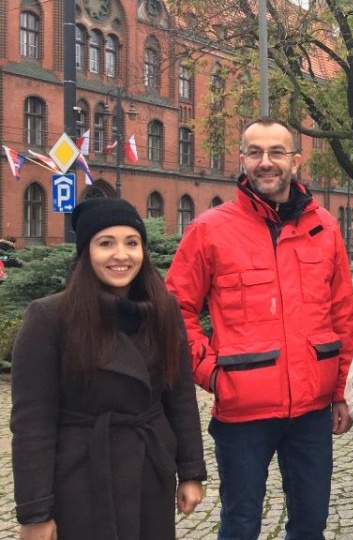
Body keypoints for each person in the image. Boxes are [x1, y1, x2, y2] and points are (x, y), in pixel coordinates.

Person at [165, 118, 353, 540]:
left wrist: (342, 390)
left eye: (276, 153)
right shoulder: (210, 229)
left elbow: (342, 314)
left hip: (311, 409)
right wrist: (210, 371)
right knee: (240, 523)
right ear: (242, 159)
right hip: (242, 410)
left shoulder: (324, 227)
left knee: (311, 524)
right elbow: (174, 311)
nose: (266, 162)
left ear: (296, 160)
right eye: (255, 152)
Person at [11, 198, 206, 540]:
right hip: (82, 475)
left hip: (149, 468)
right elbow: (32, 422)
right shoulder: (49, 317)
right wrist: (35, 511)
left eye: (132, 243)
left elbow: (180, 395)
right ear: (87, 253)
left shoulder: (163, 309)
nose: (121, 255)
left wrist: (190, 471)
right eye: (106, 243)